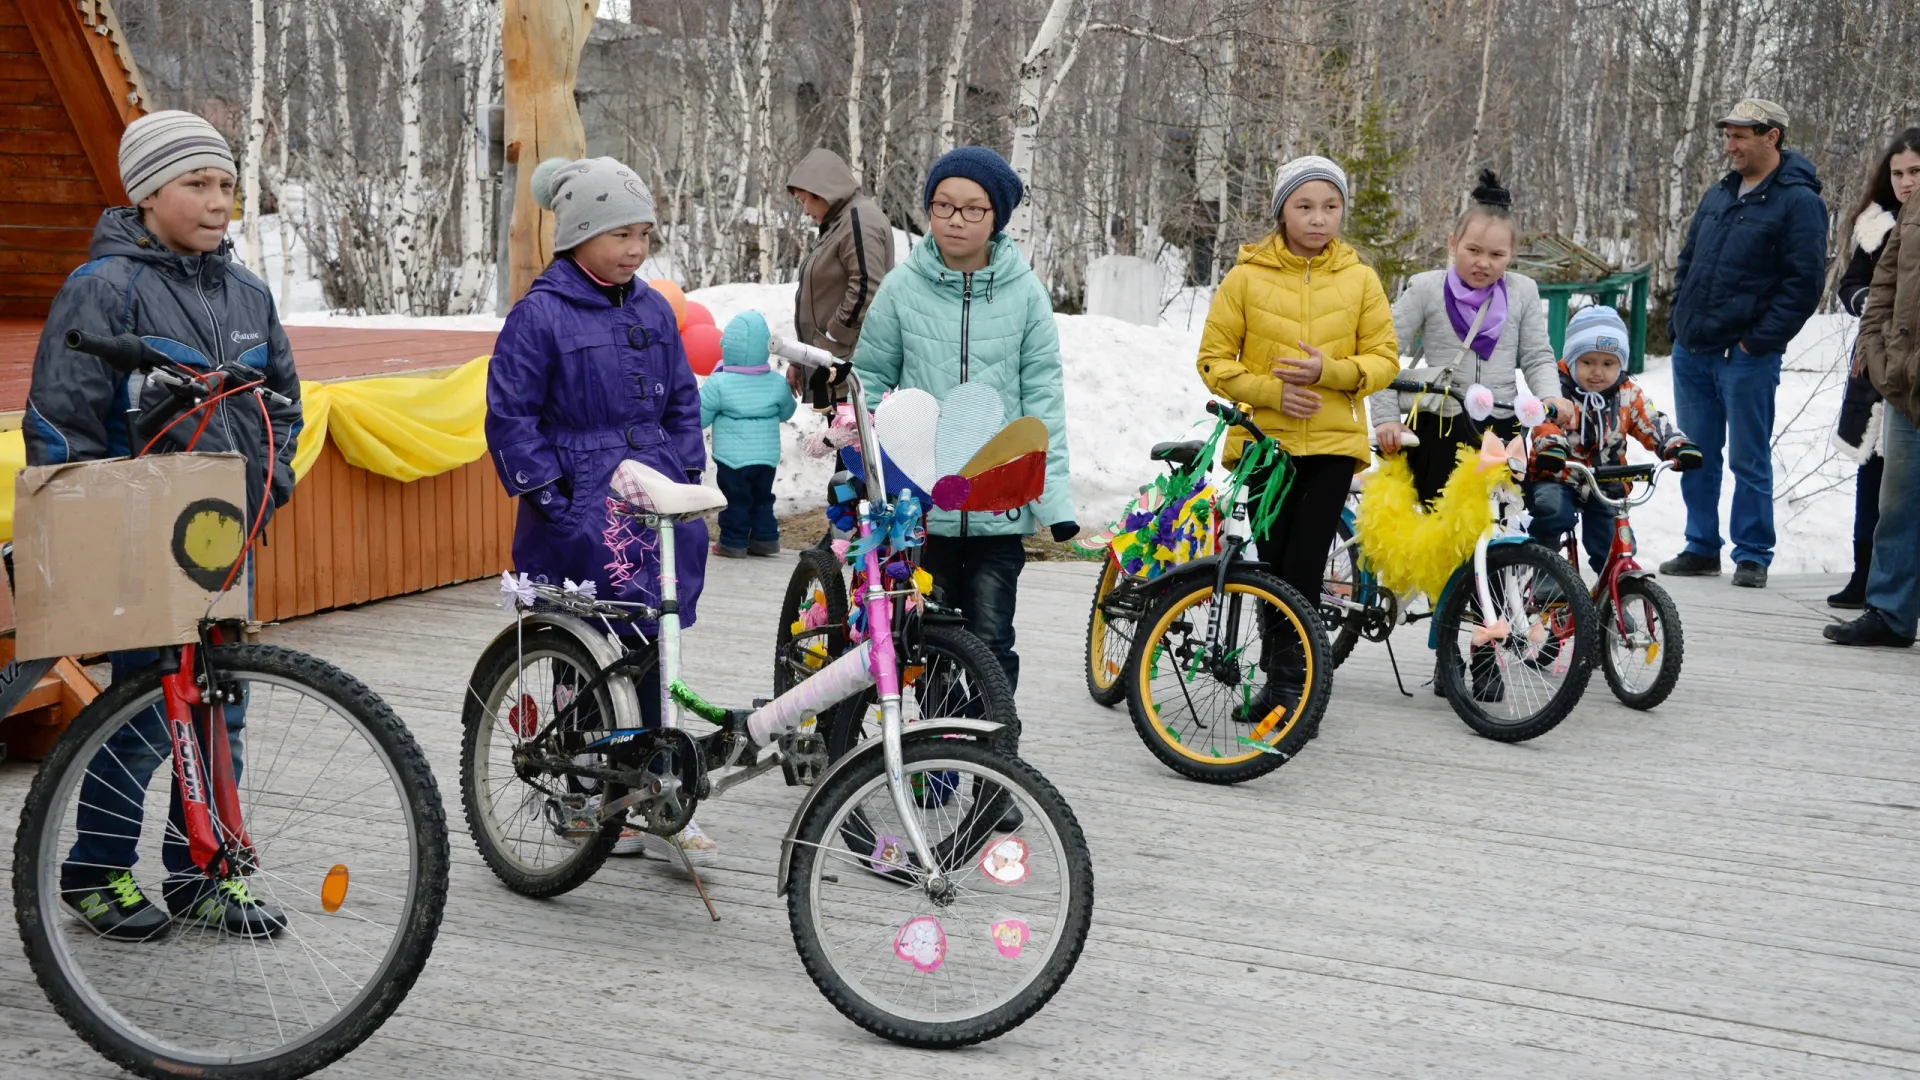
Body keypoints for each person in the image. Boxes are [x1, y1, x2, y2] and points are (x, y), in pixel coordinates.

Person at [26, 110, 303, 939]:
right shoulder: (104, 289)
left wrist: (271, 479)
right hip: (139, 537)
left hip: (222, 539)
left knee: (224, 707)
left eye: (226, 184)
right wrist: (91, 520)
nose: (218, 201)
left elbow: (283, 402)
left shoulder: (248, 291)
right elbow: (61, 420)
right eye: (197, 183)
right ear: (147, 193)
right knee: (146, 712)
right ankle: (97, 870)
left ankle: (205, 873)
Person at [485, 156, 719, 861]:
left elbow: (682, 397)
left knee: (655, 646)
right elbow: (510, 412)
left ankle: (659, 793)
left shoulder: (652, 309)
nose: (635, 249)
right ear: (579, 234)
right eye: (620, 234)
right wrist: (549, 491)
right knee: (582, 654)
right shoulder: (541, 315)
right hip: (579, 504)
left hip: (652, 498)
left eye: (644, 234)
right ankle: (584, 788)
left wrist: (682, 466)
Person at [851, 146, 1076, 713]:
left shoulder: (1026, 295)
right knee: (925, 639)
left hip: (999, 507)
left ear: (995, 218)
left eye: (973, 209)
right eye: (943, 205)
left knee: (992, 641)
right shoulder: (903, 288)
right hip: (921, 510)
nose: (956, 218)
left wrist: (1055, 499)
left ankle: (992, 765)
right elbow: (871, 381)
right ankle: (934, 760)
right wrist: (866, 466)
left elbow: (1043, 400)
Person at [1195, 155, 1398, 726]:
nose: (1318, 219)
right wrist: (1273, 394)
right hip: (1264, 443)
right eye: (1305, 206)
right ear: (1281, 209)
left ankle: (1294, 688)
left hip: (1333, 446)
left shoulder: (1360, 278)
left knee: (1305, 565)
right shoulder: (1245, 277)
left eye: (1330, 207)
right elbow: (1212, 361)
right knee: (1272, 567)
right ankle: (1279, 681)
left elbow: (1383, 360)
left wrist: (1329, 373)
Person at [1660, 98, 1829, 589]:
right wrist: (1678, 322)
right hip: (1693, 350)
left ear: (1771, 136)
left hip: (1744, 357)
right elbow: (1688, 261)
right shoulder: (1720, 193)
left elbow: (1803, 286)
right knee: (1695, 453)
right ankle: (1700, 548)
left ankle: (1752, 554)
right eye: (1727, 135)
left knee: (1747, 457)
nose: (1729, 146)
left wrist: (1756, 343)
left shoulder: (1800, 202)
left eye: (1739, 136)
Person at [1374, 170, 1575, 503]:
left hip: (1503, 427)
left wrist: (1550, 396)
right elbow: (1381, 352)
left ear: (1512, 254)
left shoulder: (1522, 291)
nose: (1483, 263)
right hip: (1439, 427)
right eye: (1473, 250)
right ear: (1453, 243)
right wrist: (1386, 419)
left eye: (1497, 255)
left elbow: (1537, 355)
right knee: (1439, 534)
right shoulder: (1426, 288)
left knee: (1501, 530)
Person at [1525, 306, 1702, 571]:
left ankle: (1617, 595)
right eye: (1587, 362)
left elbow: (1650, 421)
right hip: (1559, 473)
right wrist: (1551, 446)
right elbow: (1545, 422)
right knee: (1552, 511)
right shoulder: (1557, 388)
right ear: (1572, 360)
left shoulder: (1626, 393)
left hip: (1606, 477)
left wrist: (1675, 445)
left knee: (1612, 538)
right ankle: (1545, 571)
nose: (1598, 372)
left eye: (1608, 364)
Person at [1826, 156, 1920, 648]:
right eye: (1900, 172)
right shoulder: (1890, 220)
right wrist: (1873, 341)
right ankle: (1881, 600)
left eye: (1916, 171)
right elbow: (1870, 285)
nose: (1907, 181)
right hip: (1892, 375)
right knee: (1890, 493)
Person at [787, 148, 894, 408]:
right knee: (841, 447)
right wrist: (802, 360)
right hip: (835, 365)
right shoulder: (841, 223)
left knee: (854, 448)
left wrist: (832, 340)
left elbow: (867, 288)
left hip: (852, 370)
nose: (804, 211)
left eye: (804, 201)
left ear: (823, 190)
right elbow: (823, 299)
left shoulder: (860, 221)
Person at [701, 311, 796, 557]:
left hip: (731, 459)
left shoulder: (718, 383)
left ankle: (733, 542)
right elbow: (788, 410)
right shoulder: (776, 383)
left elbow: (699, 417)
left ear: (728, 345)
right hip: (765, 457)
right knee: (763, 497)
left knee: (736, 499)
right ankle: (765, 540)